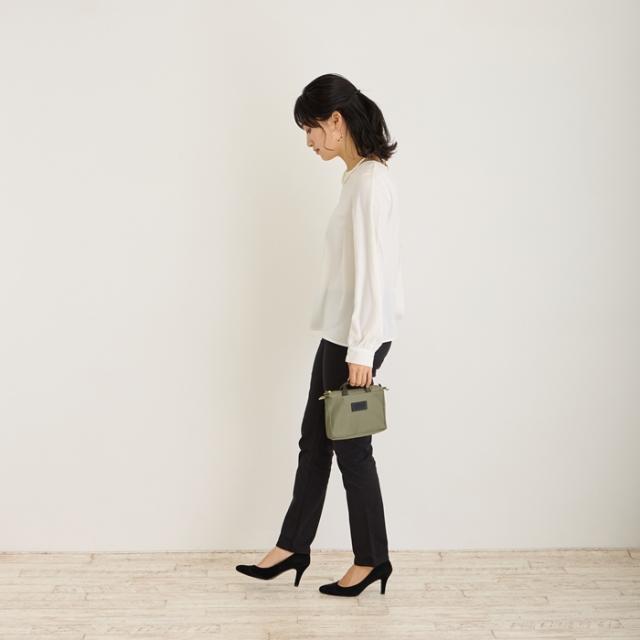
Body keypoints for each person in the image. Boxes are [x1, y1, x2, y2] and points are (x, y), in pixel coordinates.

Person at [236, 73, 404, 597]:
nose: (308, 141)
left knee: (352, 450)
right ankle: (293, 546)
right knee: (315, 443)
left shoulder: (370, 182)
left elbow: (374, 273)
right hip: (340, 333)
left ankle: (371, 559)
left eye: (310, 128)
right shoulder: (355, 179)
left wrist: (363, 349)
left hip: (357, 337)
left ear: (336, 121)